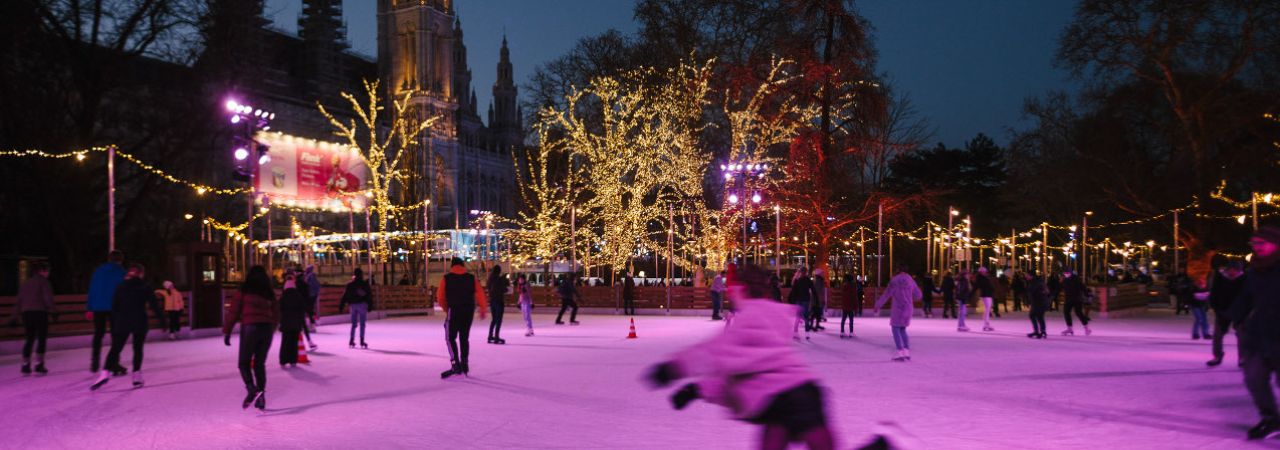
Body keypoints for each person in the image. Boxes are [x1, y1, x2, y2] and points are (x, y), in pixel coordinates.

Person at [645, 264, 835, 450]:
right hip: (803, 392)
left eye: (731, 290)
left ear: (741, 290)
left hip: (782, 398)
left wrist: (673, 368)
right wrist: (697, 389)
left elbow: (715, 352)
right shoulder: (772, 315)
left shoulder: (752, 316)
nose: (728, 294)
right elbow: (739, 374)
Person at [1233, 226, 1280, 440]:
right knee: (1254, 378)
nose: (1257, 248)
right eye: (1254, 244)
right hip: (1260, 335)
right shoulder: (1254, 271)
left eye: (1262, 243)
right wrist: (1233, 317)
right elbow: (1245, 298)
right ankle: (1271, 419)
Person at [91, 263, 164, 390]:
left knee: (115, 348)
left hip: (123, 321)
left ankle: (104, 373)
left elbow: (114, 305)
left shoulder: (121, 286)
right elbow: (154, 305)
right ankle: (136, 376)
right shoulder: (145, 287)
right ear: (141, 273)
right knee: (137, 349)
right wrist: (162, 321)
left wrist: (117, 320)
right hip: (139, 321)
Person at [221, 265, 279, 410]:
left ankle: (251, 388)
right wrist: (272, 328)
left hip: (250, 328)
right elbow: (277, 313)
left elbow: (234, 312)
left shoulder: (244, 290)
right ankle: (261, 398)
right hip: (266, 329)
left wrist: (227, 331)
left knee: (244, 363)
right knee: (259, 364)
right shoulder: (268, 293)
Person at [438, 258, 488, 378]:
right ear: (463, 265)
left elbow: (440, 297)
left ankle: (455, 364)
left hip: (454, 310)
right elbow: (480, 293)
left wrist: (446, 309)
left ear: (452, 266)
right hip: (468, 311)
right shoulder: (471, 278)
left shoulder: (446, 278)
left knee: (450, 338)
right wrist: (482, 309)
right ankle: (464, 363)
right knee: (464, 337)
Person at [86, 250, 126, 373]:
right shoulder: (121, 271)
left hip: (98, 307)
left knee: (98, 334)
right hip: (114, 307)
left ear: (109, 259)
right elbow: (124, 290)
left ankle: (95, 361)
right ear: (120, 260)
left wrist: (90, 307)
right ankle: (114, 363)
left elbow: (92, 289)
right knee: (116, 335)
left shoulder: (98, 271)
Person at [876, 265, 923, 362]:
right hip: (908, 308)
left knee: (895, 328)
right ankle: (906, 351)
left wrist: (878, 305)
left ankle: (900, 350)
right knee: (902, 329)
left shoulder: (894, 280)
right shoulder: (910, 280)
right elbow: (918, 295)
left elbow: (886, 294)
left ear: (898, 270)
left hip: (898, 309)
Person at [15, 262, 55, 375]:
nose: (48, 273)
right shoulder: (44, 282)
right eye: (46, 270)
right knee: (41, 339)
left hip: (26, 314)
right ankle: (39, 364)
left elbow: (19, 300)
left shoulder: (25, 283)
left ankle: (25, 365)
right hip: (40, 313)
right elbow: (47, 298)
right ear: (41, 271)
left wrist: (15, 316)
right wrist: (53, 310)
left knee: (29, 339)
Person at [1207, 261, 1246, 367]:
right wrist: (1215, 306)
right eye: (1231, 270)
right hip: (1222, 310)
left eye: (1235, 270)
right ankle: (1217, 356)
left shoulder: (1244, 278)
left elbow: (1249, 295)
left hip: (1240, 311)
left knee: (1242, 335)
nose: (1233, 273)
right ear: (1227, 269)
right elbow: (1214, 292)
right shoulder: (1220, 277)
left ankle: (1242, 358)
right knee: (1217, 335)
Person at [279, 272, 308, 367]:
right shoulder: (298, 296)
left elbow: (279, 309)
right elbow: (302, 309)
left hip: (285, 324)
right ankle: (293, 360)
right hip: (296, 324)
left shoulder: (283, 298)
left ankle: (283, 360)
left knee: (285, 342)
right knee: (294, 342)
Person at [338, 268, 372, 349]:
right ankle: (362, 340)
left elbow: (345, 295)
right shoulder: (364, 284)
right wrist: (370, 305)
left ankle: (351, 340)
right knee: (362, 324)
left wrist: (341, 305)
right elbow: (368, 295)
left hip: (352, 305)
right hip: (362, 305)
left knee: (353, 324)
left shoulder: (350, 285)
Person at [1060, 269, 1092, 336]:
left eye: (1067, 273)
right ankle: (1069, 328)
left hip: (1077, 299)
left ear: (1070, 273)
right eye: (1065, 273)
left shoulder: (1076, 279)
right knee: (1066, 312)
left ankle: (1086, 328)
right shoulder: (1065, 280)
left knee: (1079, 313)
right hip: (1069, 299)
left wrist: (1087, 294)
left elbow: (1082, 287)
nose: (1066, 275)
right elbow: (1061, 287)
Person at [789, 267, 817, 340]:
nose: (804, 273)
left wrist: (793, 301)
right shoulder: (800, 280)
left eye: (805, 272)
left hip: (802, 300)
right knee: (804, 316)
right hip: (803, 300)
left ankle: (799, 333)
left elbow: (812, 289)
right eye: (804, 272)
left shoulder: (799, 280)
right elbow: (794, 291)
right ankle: (803, 333)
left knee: (801, 317)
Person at [487, 265, 510, 344]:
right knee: (498, 320)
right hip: (499, 301)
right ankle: (496, 336)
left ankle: (490, 335)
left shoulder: (490, 279)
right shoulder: (499, 279)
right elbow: (504, 289)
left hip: (492, 301)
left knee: (494, 319)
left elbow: (490, 288)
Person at [1026, 273, 1050, 339]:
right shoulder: (1040, 282)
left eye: (1028, 275)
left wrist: (1029, 300)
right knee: (1040, 317)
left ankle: (1036, 331)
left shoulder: (1034, 283)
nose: (1026, 277)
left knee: (1032, 315)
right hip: (1042, 302)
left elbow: (1033, 293)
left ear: (1031, 276)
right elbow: (1047, 291)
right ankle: (1043, 331)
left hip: (1037, 302)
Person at [303, 265, 320, 349]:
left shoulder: (310, 276)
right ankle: (312, 324)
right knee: (310, 310)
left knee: (309, 310)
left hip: (310, 296)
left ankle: (312, 325)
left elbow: (309, 286)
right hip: (312, 296)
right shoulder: (311, 276)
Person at [975, 267, 996, 332]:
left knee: (988, 310)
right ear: (981, 272)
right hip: (986, 295)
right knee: (987, 310)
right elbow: (977, 286)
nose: (986, 273)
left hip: (988, 295)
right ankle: (986, 324)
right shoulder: (981, 279)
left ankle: (987, 324)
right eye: (984, 271)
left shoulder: (984, 278)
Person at [839, 274, 856, 338]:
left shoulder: (844, 286)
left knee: (843, 319)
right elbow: (854, 297)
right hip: (850, 306)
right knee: (851, 320)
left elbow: (843, 297)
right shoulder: (853, 287)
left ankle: (842, 332)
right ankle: (851, 332)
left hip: (844, 306)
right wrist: (856, 307)